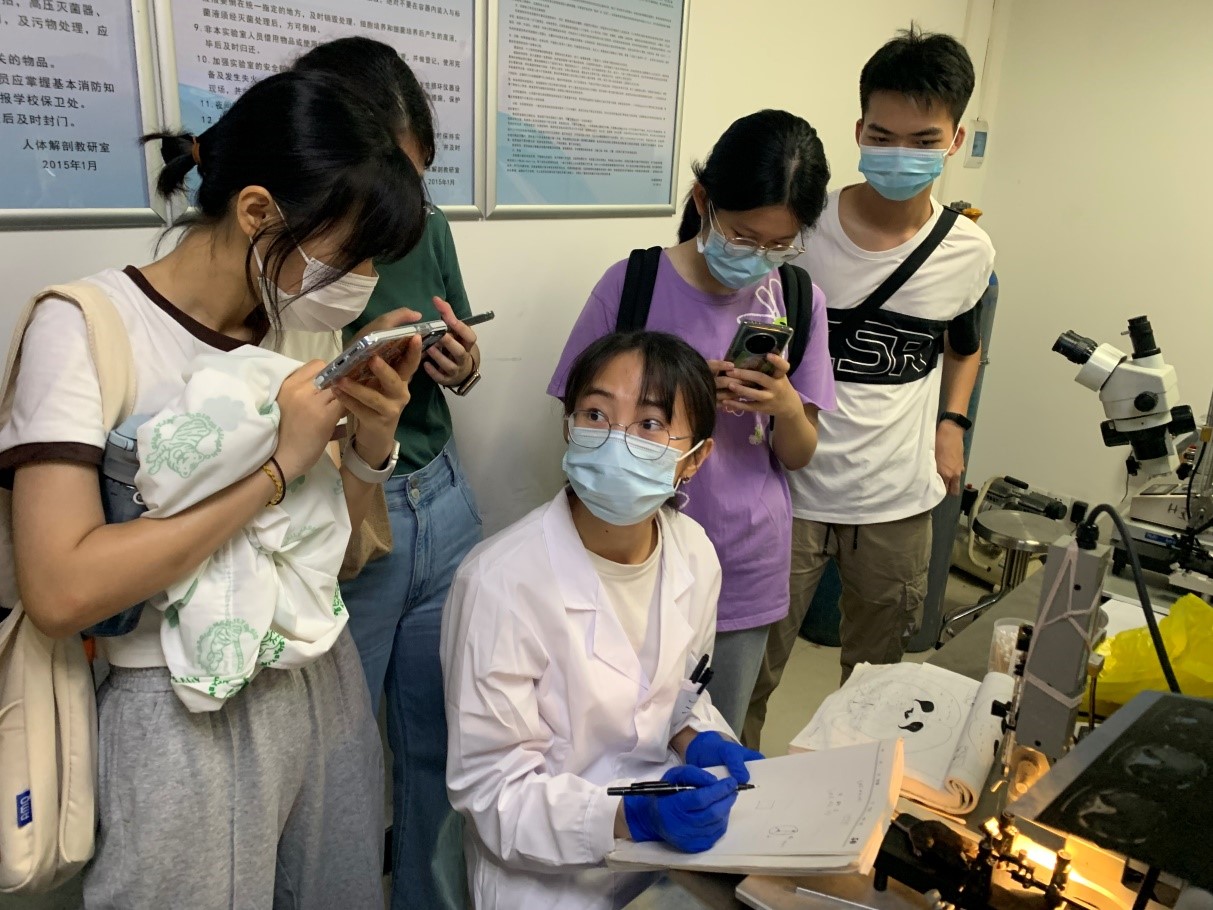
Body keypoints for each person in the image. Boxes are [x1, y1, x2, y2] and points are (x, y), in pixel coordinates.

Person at [0, 70, 428, 907]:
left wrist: (372, 443)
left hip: (318, 678)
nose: (364, 277)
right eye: (350, 253)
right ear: (258, 211)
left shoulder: (305, 328)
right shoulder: (86, 328)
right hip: (177, 709)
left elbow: (334, 559)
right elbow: (60, 591)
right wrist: (276, 469)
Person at [443, 331, 761, 910]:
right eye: (596, 414)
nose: (617, 439)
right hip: (546, 880)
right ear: (569, 428)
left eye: (650, 424)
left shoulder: (694, 553)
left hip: (667, 858)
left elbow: (679, 695)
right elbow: (492, 792)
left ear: (695, 459)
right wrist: (629, 816)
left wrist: (699, 739)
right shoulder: (499, 581)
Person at [745, 26, 996, 746]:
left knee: (875, 690)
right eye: (882, 137)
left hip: (896, 500)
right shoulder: (803, 228)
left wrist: (951, 424)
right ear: (858, 131)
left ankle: (849, 805)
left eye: (923, 140)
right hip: (786, 490)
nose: (899, 154)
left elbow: (964, 347)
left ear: (953, 141)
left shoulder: (967, 250)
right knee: (748, 674)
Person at [548, 111, 836, 734]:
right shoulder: (632, 285)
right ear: (704, 201)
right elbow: (575, 421)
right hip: (629, 552)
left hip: (745, 563)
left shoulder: (798, 299)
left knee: (717, 736)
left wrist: (785, 405)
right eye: (743, 236)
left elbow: (799, 453)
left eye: (778, 245)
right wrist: (669, 397)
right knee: (612, 734)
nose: (757, 258)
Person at [293, 37, 485, 909]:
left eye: (416, 181)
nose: (403, 207)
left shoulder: (428, 227)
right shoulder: (282, 242)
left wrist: (462, 364)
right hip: (343, 513)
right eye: (387, 180)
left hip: (437, 495)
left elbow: (459, 344)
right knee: (333, 770)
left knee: (441, 748)